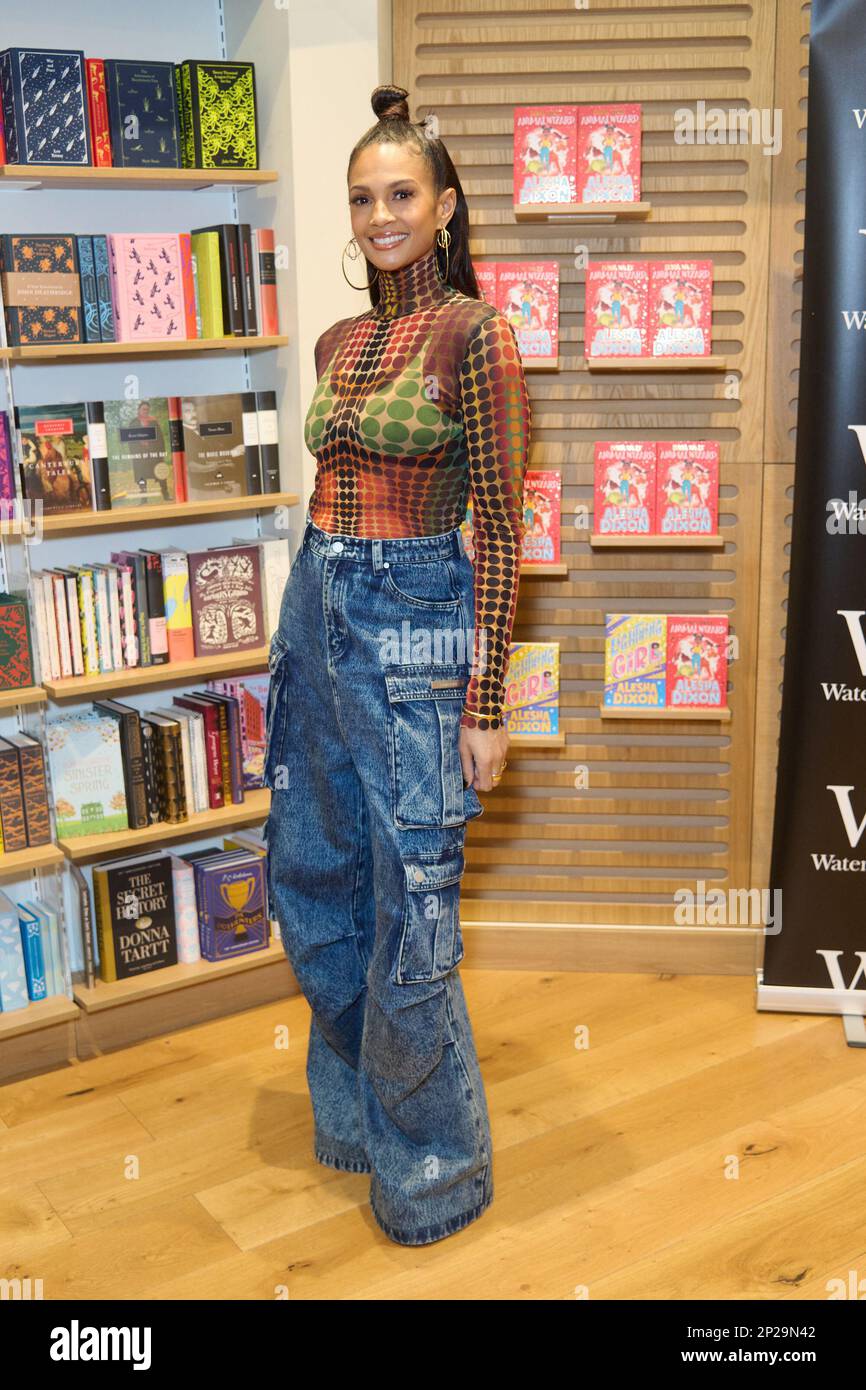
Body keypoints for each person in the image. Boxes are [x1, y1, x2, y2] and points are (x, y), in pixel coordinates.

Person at [264, 83, 531, 1247]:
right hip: (316, 600)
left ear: (443, 205)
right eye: (362, 197)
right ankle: (360, 1115)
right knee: (312, 874)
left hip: (417, 615)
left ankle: (432, 1172)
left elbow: (504, 526)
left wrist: (487, 702)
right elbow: (326, 491)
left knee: (413, 902)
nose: (379, 215)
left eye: (400, 194)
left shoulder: (476, 335)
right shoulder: (337, 339)